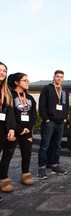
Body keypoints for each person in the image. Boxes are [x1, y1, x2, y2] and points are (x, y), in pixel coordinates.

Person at [0, 73, 37, 193]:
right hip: (13, 131)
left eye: (28, 80)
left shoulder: (30, 98)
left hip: (27, 131)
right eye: (25, 80)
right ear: (16, 82)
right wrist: (18, 129)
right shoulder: (9, 95)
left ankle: (25, 174)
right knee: (7, 155)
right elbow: (10, 114)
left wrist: (28, 127)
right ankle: (4, 179)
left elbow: (33, 115)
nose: (28, 82)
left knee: (27, 154)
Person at [38, 70, 69, 180]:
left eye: (61, 77)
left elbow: (66, 105)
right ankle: (41, 168)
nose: (59, 78)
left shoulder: (64, 91)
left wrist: (65, 117)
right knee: (45, 145)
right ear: (54, 77)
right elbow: (42, 105)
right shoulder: (47, 89)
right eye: (57, 76)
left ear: (63, 78)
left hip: (60, 122)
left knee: (57, 145)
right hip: (49, 121)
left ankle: (54, 165)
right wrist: (45, 118)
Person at [0, 62, 16, 202]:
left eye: (4, 70)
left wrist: (11, 128)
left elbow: (10, 111)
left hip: (3, 128)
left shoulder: (6, 90)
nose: (2, 73)